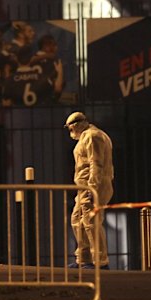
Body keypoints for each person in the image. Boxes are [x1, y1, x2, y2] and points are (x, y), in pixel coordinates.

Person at [64, 112, 113, 270]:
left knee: (91, 223)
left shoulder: (92, 136)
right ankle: (84, 258)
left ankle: (100, 261)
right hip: (84, 187)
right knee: (77, 219)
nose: (70, 132)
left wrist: (93, 186)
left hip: (92, 186)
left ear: (75, 125)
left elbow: (95, 163)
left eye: (70, 127)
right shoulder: (88, 136)